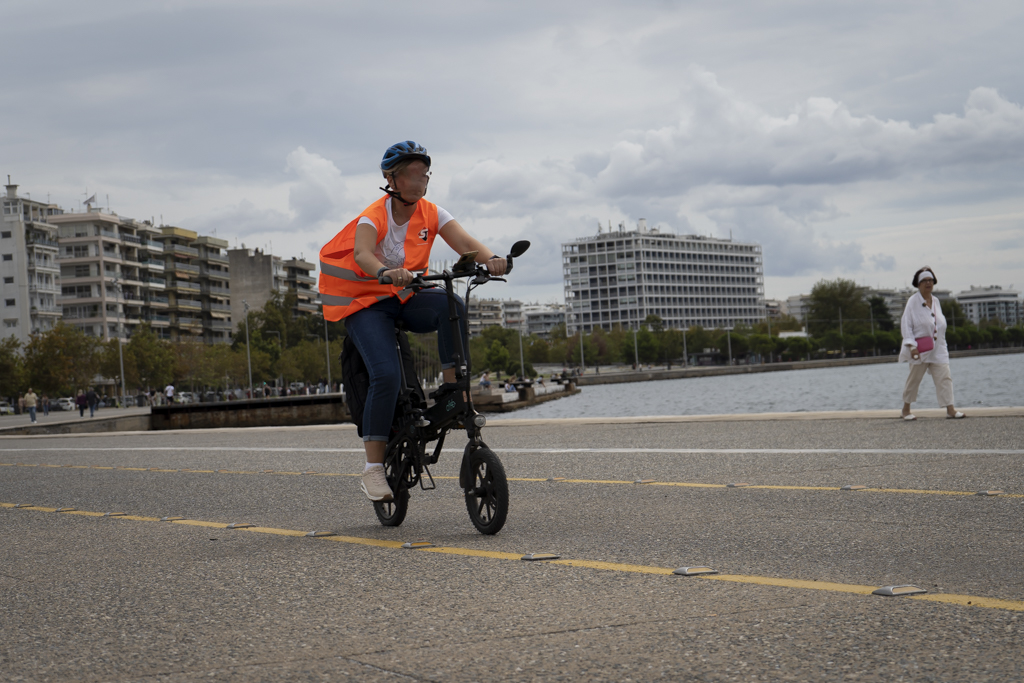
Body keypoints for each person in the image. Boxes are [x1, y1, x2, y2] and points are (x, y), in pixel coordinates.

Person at [319, 141, 507, 502]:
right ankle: (373, 469)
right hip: (366, 304)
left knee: (451, 304)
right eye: (413, 171)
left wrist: (493, 258)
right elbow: (361, 253)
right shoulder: (373, 215)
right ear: (392, 178)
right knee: (386, 375)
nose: (422, 177)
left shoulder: (432, 213)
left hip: (404, 299)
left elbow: (465, 241)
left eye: (425, 171)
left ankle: (454, 385)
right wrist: (386, 272)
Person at [899, 266, 965, 420]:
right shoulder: (912, 302)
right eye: (924, 281)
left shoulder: (935, 301)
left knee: (945, 378)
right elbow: (906, 324)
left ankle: (950, 409)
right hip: (920, 349)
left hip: (939, 348)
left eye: (930, 280)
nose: (928, 283)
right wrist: (912, 346)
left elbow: (939, 323)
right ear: (918, 283)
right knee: (914, 380)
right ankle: (906, 410)